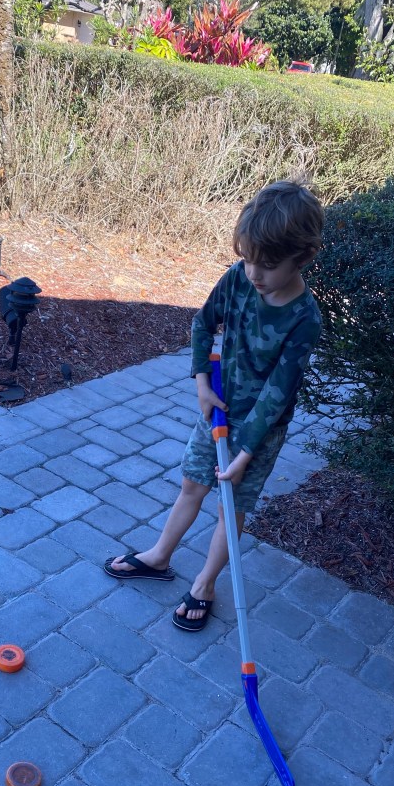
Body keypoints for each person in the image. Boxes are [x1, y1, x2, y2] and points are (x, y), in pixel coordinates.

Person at [104, 180, 324, 631]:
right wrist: (203, 384)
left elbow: (278, 391)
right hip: (218, 407)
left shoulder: (304, 318)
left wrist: (244, 454)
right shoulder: (238, 279)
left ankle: (205, 584)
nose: (254, 273)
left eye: (267, 265)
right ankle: (159, 556)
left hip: (260, 431)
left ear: (302, 258)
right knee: (192, 484)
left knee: (230, 506)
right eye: (247, 259)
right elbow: (203, 324)